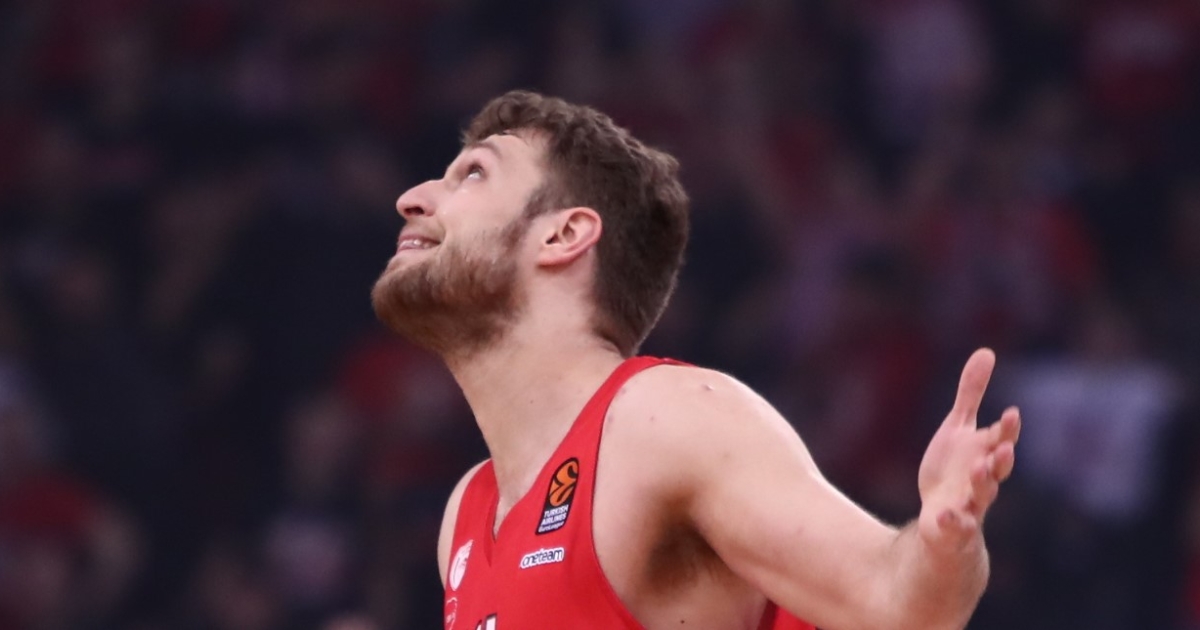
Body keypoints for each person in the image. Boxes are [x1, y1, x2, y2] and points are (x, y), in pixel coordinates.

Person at [370, 91, 1021, 630]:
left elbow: (899, 606)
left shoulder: (663, 420)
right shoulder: (467, 510)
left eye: (473, 173)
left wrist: (943, 543)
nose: (414, 197)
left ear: (563, 234)